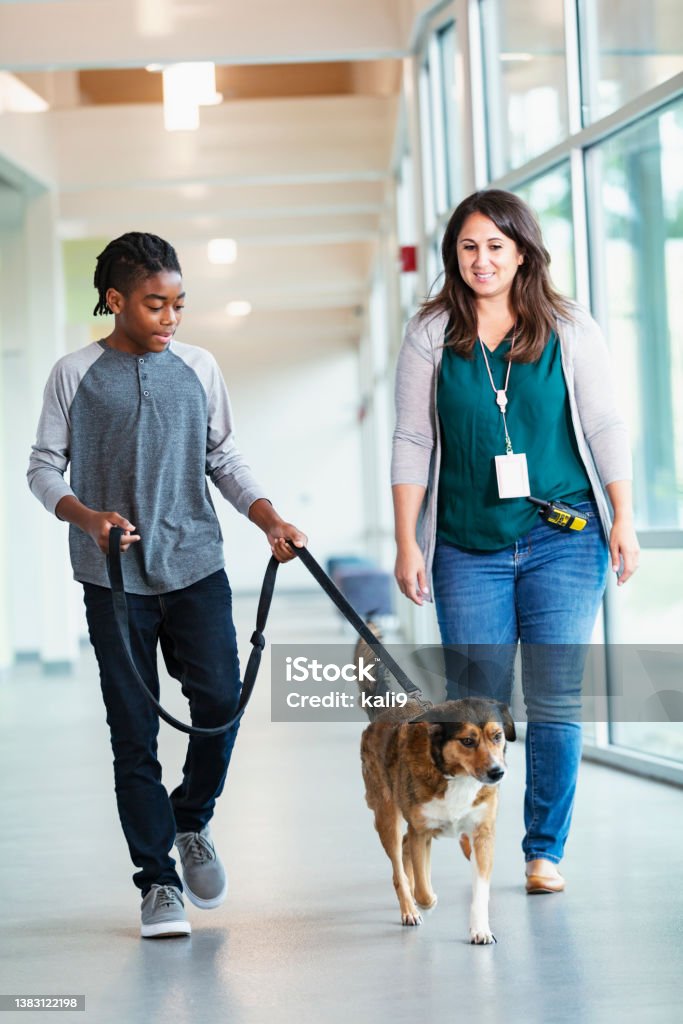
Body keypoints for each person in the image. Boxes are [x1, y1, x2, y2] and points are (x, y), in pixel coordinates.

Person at [27, 232, 307, 938]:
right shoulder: (74, 373)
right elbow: (41, 468)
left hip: (195, 566)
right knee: (133, 735)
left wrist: (267, 516)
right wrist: (87, 517)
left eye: (179, 304)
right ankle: (157, 883)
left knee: (221, 703)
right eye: (156, 305)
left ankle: (192, 819)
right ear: (115, 301)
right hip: (111, 577)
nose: (170, 319)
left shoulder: (198, 367)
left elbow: (223, 454)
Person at [391, 190, 639, 894]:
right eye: (468, 247)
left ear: (522, 251)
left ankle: (542, 850)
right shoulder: (431, 332)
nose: (481, 260)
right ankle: (478, 834)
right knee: (478, 706)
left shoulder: (566, 326)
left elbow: (604, 425)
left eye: (495, 246)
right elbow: (411, 437)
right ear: (454, 256)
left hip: (563, 536)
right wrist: (409, 541)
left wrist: (621, 515)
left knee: (555, 698)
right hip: (466, 545)